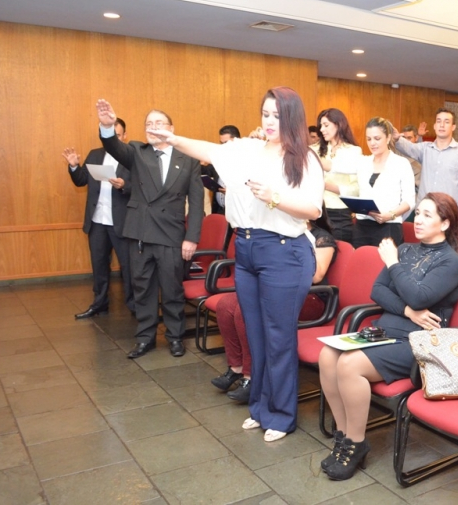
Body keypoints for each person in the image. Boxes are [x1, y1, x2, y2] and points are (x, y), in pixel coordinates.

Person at [144, 86, 324, 443]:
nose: (269, 122)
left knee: (278, 337)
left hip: (284, 252)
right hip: (247, 247)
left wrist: (275, 197)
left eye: (277, 116)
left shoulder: (303, 158)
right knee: (255, 333)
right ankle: (260, 407)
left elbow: (314, 210)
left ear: (292, 118)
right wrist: (172, 138)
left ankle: (282, 415)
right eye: (265, 114)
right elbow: (209, 150)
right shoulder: (248, 149)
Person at [318, 193, 458, 480]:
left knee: (348, 365)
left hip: (418, 343)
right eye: (417, 213)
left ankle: (356, 443)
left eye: (427, 215)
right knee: (328, 355)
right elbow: (378, 291)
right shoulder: (406, 249)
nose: (417, 220)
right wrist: (408, 311)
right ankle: (344, 435)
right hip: (386, 330)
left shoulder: (451, 262)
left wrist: (392, 263)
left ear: (445, 223)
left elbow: (418, 295)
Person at [95, 101, 204, 359]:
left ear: (171, 129)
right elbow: (113, 146)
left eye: (159, 123)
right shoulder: (137, 151)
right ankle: (145, 338)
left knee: (172, 289)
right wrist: (107, 127)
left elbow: (197, 202)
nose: (153, 128)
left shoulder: (188, 159)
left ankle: (175, 337)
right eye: (149, 124)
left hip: (171, 235)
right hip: (141, 233)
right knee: (142, 289)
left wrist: (192, 237)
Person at [212, 213, 337, 403]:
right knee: (226, 305)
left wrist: (293, 254)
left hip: (310, 296)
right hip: (272, 288)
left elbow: (317, 275)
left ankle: (251, 376)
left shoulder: (321, 237)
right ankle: (236, 367)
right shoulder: (275, 233)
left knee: (242, 313)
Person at [62, 117, 135, 319]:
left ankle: (135, 305)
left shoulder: (132, 157)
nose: (113, 139)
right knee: (99, 265)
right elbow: (81, 180)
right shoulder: (95, 154)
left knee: (128, 267)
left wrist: (125, 186)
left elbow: (142, 187)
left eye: (117, 135)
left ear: (124, 136)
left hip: (122, 222)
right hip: (97, 222)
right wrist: (74, 167)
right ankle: (100, 303)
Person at [393, 108, 458, 229]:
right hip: (424, 215)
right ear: (435, 126)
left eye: (446, 122)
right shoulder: (425, 149)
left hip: (448, 216)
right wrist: (397, 138)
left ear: (453, 127)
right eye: (439, 121)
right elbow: (408, 147)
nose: (442, 125)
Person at [352, 117, 415, 248]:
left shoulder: (401, 163)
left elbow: (409, 201)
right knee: (360, 259)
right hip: (362, 226)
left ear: (388, 138)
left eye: (377, 138)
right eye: (369, 139)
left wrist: (390, 215)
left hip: (389, 226)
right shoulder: (363, 163)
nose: (372, 143)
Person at [317, 108, 362, 243]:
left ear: (338, 124)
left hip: (340, 213)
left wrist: (326, 186)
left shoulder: (353, 151)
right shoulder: (315, 149)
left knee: (340, 252)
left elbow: (356, 190)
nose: (322, 129)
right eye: (321, 126)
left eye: (326, 125)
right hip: (318, 210)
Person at [203, 125, 241, 215]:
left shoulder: (246, 162)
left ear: (237, 141)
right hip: (219, 211)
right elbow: (205, 171)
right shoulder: (219, 159)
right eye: (221, 143)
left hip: (237, 213)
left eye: (226, 143)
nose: (223, 146)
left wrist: (232, 192)